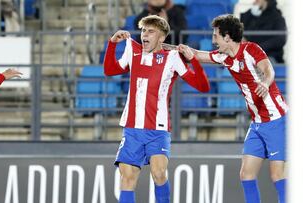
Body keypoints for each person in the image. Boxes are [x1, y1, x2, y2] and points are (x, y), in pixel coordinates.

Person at [169, 14, 288, 203]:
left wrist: (265, 83)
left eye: (215, 36)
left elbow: (268, 69)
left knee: (277, 176)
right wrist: (181, 49)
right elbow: (199, 56)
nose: (212, 40)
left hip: (276, 120)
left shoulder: (251, 50)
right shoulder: (224, 57)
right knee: (246, 175)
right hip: (257, 123)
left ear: (227, 37)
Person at [103, 15, 210, 203]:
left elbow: (203, 86)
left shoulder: (173, 58)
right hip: (132, 128)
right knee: (127, 178)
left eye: (151, 31)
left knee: (159, 173)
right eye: (143, 30)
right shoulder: (133, 51)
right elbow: (110, 70)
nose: (145, 35)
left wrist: (194, 60)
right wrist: (112, 44)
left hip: (157, 129)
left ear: (161, 38)